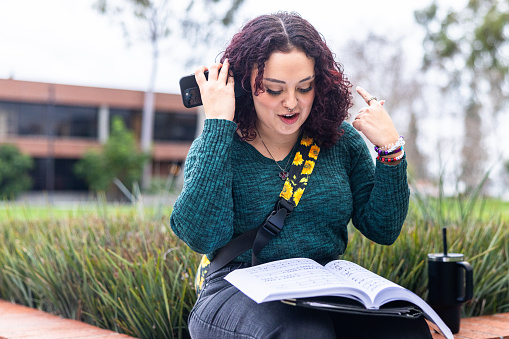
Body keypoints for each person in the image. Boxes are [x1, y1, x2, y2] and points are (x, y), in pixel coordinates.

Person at [170, 11, 432, 339]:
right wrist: (219, 124)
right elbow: (201, 236)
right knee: (304, 333)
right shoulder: (220, 146)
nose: (291, 103)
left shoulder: (340, 142)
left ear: (319, 84)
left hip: (319, 289)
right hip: (236, 291)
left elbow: (383, 228)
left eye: (304, 87)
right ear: (244, 85)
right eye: (274, 89)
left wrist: (391, 152)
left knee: (404, 330)